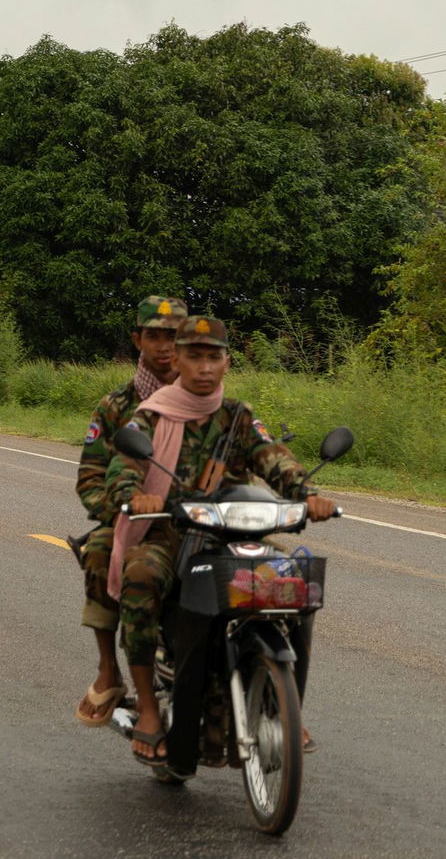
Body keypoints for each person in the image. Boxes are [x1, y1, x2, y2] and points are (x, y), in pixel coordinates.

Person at [103, 315, 337, 766]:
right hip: (171, 533)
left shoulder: (239, 417)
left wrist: (308, 495)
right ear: (179, 360)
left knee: (295, 581)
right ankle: (149, 708)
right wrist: (136, 495)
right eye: (195, 356)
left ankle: (284, 706)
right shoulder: (152, 414)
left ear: (228, 362)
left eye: (214, 356)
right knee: (141, 576)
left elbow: (276, 461)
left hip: (233, 534)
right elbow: (122, 472)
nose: (205, 367)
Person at [72, 295, 187, 727]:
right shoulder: (116, 407)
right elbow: (91, 475)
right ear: (137, 339)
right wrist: (120, 512)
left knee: (278, 571)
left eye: (174, 337)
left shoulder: (208, 399)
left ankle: (278, 697)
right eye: (154, 336)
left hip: (199, 521)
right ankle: (109, 670)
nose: (165, 347)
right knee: (102, 550)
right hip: (135, 523)